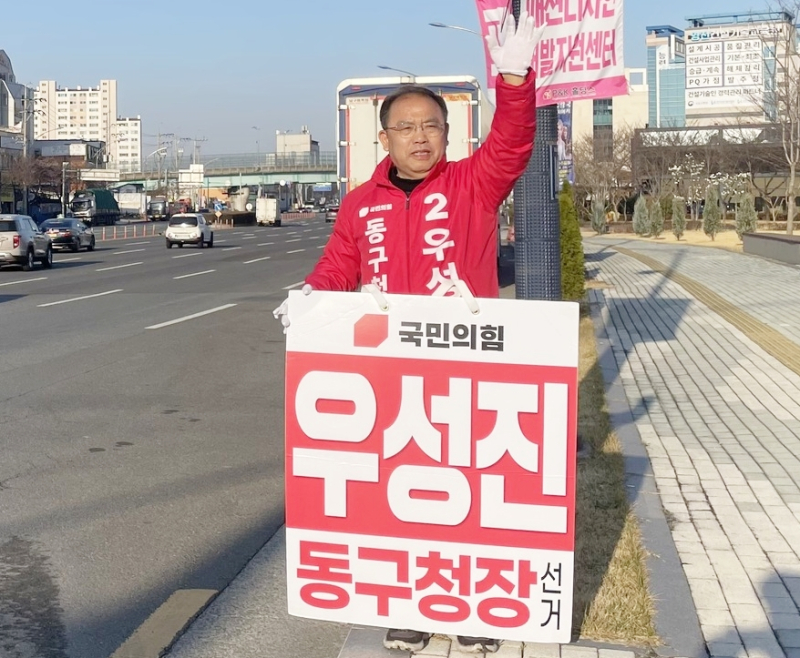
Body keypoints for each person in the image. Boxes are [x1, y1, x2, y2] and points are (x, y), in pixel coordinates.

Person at [274, 7, 541, 654]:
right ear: (384, 137)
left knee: (468, 487)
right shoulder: (360, 203)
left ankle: (475, 606)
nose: (419, 137)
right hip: (389, 373)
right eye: (406, 127)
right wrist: (312, 295)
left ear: (447, 132)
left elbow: (511, 143)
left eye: (431, 126)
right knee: (402, 492)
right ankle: (413, 604)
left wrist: (514, 81)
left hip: (466, 366)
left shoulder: (474, 184)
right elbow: (341, 265)